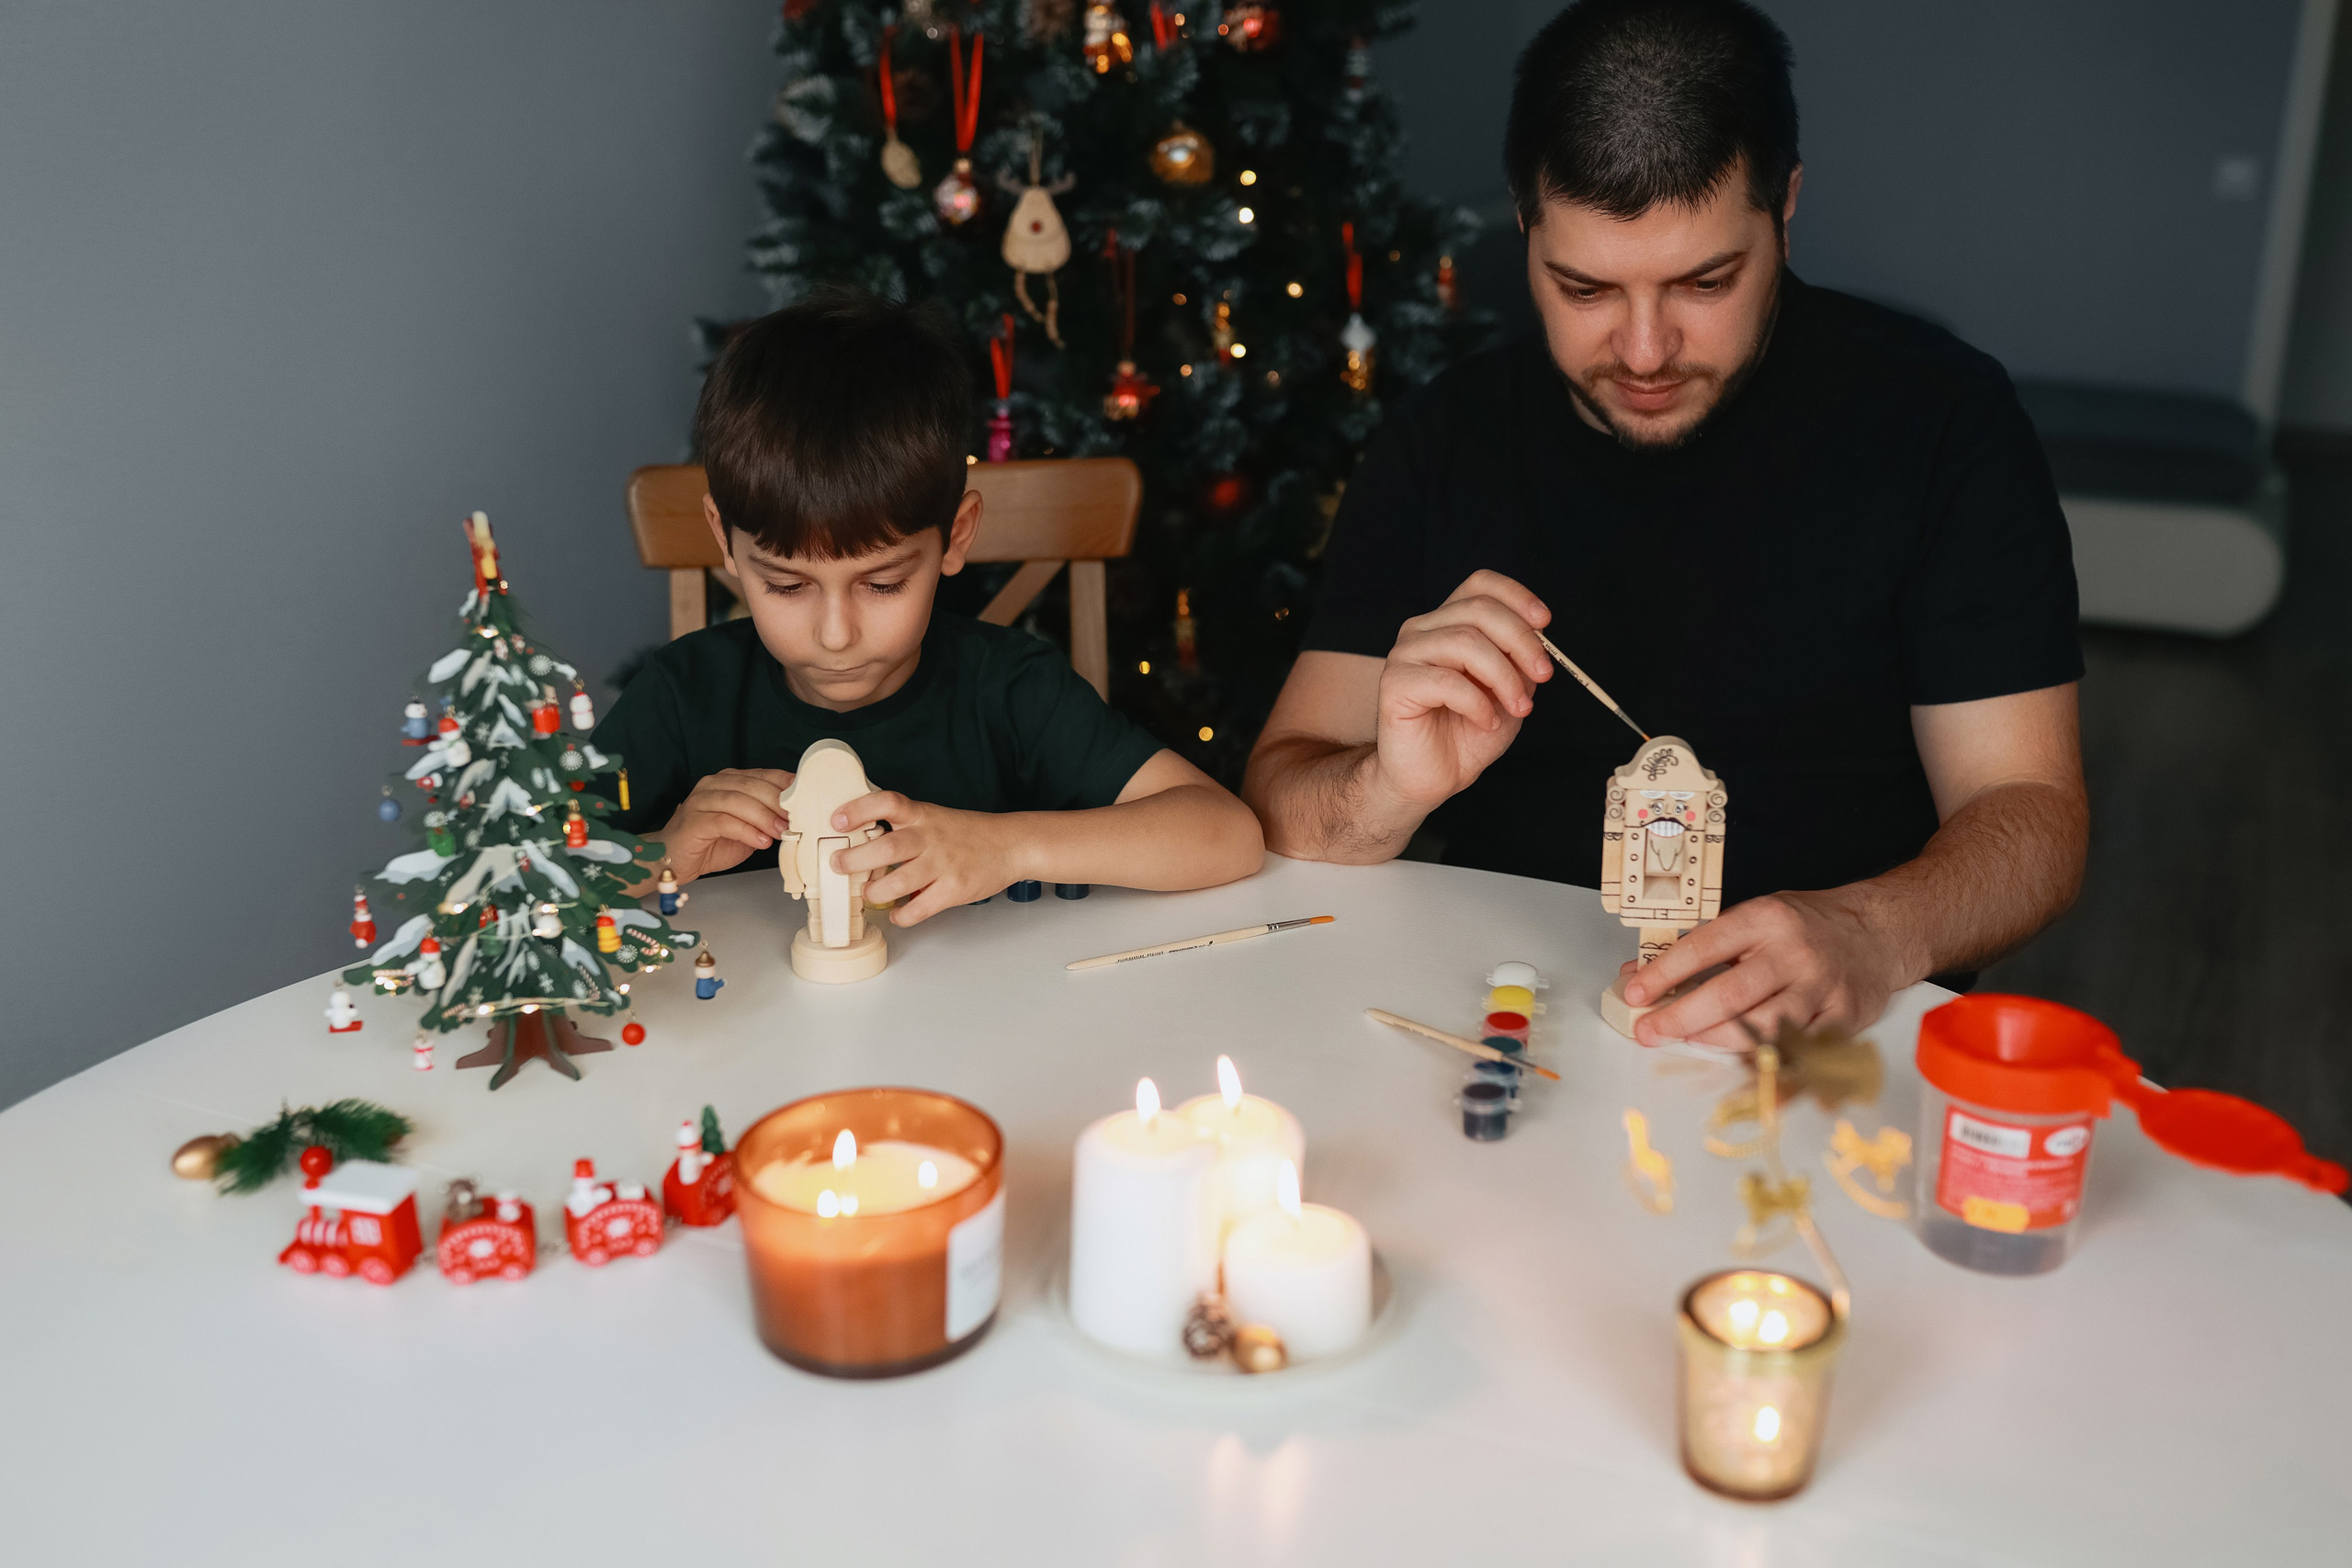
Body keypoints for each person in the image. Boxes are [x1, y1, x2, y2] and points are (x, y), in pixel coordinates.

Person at [1243, 0, 2086, 1048]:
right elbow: (1280, 794)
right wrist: (1382, 788)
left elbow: (2032, 814)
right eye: (1584, 287)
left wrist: (1873, 931)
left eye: (1705, 282)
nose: (1644, 351)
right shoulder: (1441, 439)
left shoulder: (1942, 423)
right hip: (1510, 1016)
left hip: (1835, 1037)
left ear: (1785, 205)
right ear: (1524, 224)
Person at [594, 288, 1262, 921]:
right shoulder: (684, 695)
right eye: (787, 585)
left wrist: (1008, 846)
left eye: (882, 584)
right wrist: (659, 854)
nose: (835, 634)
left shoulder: (1010, 688)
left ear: (957, 535)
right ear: (724, 540)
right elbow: (513, 880)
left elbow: (1226, 833)